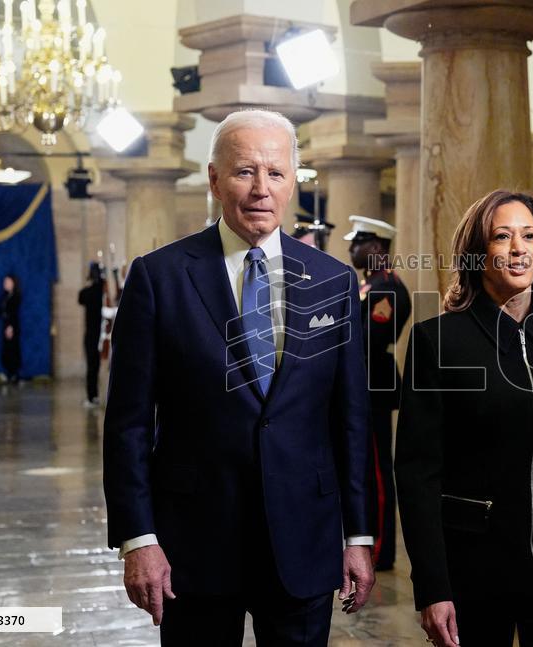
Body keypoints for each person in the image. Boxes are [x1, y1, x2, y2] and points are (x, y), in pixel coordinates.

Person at [102, 108, 375, 646]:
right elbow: (129, 424)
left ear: (293, 180)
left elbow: (350, 421)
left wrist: (358, 535)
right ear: (214, 179)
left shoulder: (334, 282)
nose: (260, 189)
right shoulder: (159, 278)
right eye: (245, 171)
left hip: (303, 538)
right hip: (193, 545)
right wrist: (138, 538)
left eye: (275, 173)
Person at [395, 189, 533, 647]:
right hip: (475, 570)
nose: (519, 249)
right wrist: (432, 587)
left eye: (529, 236)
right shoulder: (438, 342)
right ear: (478, 254)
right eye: (502, 236)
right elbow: (418, 475)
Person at [344, 215, 411, 571]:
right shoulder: (369, 285)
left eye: (358, 243)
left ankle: (381, 548)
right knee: (361, 468)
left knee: (377, 472)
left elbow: (369, 340)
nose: (351, 249)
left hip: (373, 388)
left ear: (377, 247)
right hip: (360, 386)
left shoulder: (388, 288)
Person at [77, 261, 105, 407]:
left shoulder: (90, 292)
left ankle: (92, 396)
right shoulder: (101, 291)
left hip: (92, 335)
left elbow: (80, 297)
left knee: (92, 367)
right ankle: (94, 396)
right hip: (99, 333)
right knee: (95, 366)